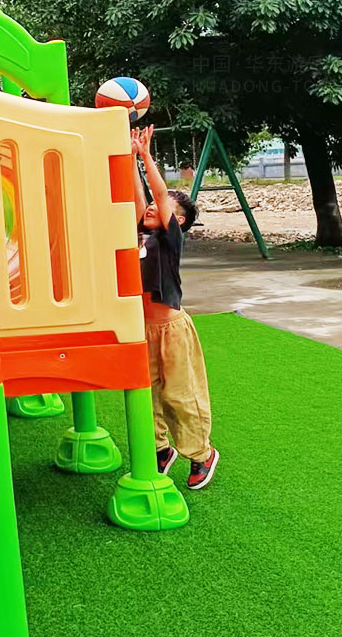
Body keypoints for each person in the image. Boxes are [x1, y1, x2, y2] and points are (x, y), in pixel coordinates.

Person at [131, 125, 218, 490]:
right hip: (143, 330)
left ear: (178, 220)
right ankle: (160, 450)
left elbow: (157, 194)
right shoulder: (142, 234)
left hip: (172, 330)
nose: (153, 207)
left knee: (181, 395)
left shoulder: (170, 239)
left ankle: (201, 454)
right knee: (147, 394)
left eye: (162, 207)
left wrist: (147, 155)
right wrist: (131, 158)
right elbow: (139, 197)